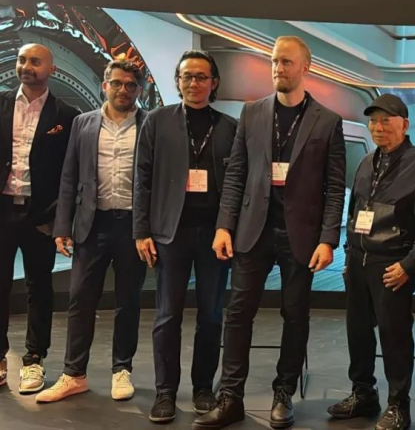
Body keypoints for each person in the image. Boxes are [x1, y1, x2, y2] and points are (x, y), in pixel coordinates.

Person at [194, 35, 346, 430]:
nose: (278, 68)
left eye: (286, 62)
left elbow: (334, 187)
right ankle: (231, 397)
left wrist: (329, 238)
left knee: (295, 315)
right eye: (275, 61)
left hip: (302, 235)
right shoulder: (253, 112)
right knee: (238, 314)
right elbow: (236, 174)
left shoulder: (327, 121)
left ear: (305, 68)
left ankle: (284, 392)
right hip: (252, 230)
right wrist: (224, 226)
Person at [324, 93, 415, 430]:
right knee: (358, 332)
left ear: (405, 124)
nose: (378, 127)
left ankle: (398, 405)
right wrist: (349, 256)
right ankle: (363, 394)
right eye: (373, 121)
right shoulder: (366, 162)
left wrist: (409, 265)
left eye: (386, 120)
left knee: (395, 336)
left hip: (393, 265)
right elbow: (354, 213)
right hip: (359, 262)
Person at [133, 50, 237, 423]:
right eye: (186, 76)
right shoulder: (157, 121)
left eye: (201, 77)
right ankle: (165, 391)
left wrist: (229, 227)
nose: (193, 83)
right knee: (167, 315)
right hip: (168, 232)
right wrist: (141, 231)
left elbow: (236, 184)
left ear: (214, 82)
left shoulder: (229, 127)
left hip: (214, 235)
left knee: (211, 314)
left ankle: (203, 388)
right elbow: (142, 178)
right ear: (178, 82)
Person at [35, 60, 149, 404]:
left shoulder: (150, 124)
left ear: (139, 90)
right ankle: (74, 374)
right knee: (80, 299)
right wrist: (62, 226)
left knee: (128, 300)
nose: (123, 90)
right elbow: (69, 177)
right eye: (117, 83)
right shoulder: (83, 123)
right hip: (92, 224)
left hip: (134, 227)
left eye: (130, 85)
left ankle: (121, 370)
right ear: (104, 85)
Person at [0, 43, 81, 393]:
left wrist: (58, 218)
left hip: (40, 216)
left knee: (39, 287)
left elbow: (70, 173)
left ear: (52, 69)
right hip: (2, 210)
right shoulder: (1, 104)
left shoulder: (67, 115)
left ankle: (34, 358)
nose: (26, 66)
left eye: (35, 61)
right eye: (22, 60)